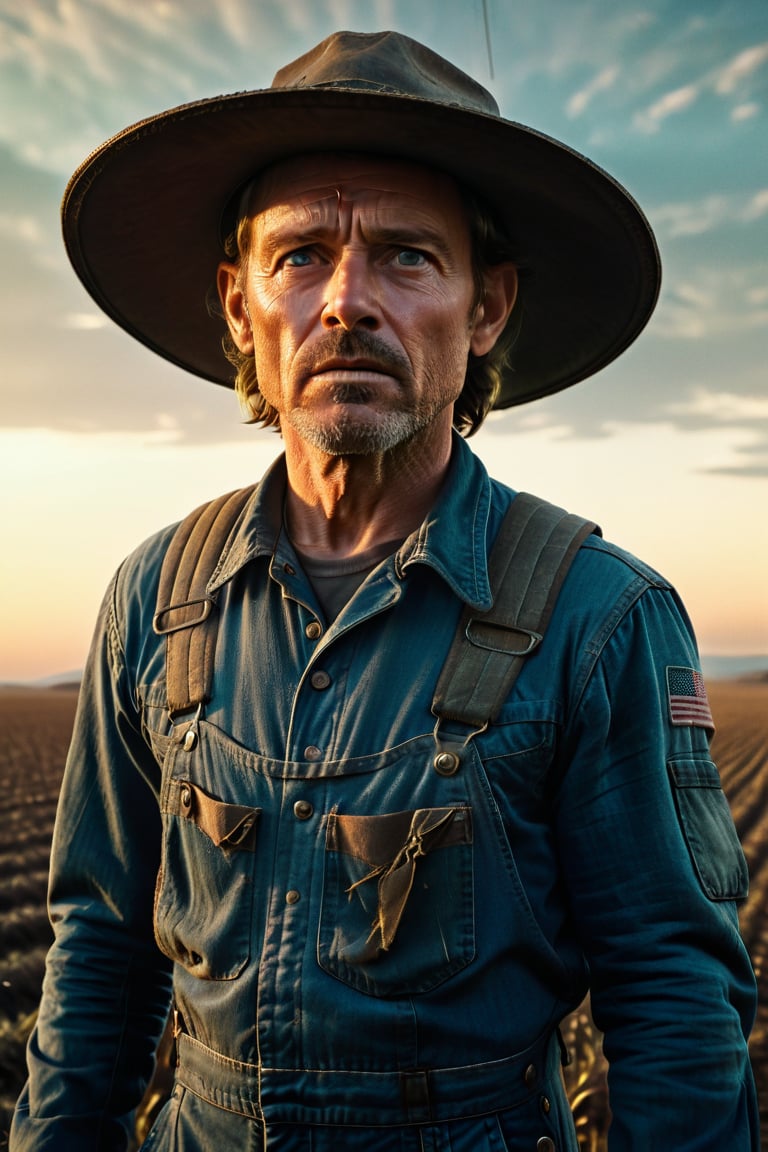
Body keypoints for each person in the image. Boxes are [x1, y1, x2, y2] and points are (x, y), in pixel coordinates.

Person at [11, 29, 759, 1152]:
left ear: (488, 307)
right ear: (237, 306)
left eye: (408, 256)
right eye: (301, 255)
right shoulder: (155, 597)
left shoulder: (598, 618)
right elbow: (101, 948)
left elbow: (670, 1003)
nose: (348, 301)